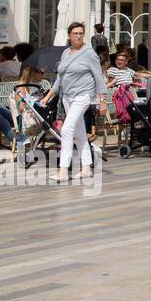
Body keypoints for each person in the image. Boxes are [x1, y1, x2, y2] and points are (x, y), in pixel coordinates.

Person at [42, 22, 107, 183]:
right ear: (70, 35)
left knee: (66, 129)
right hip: (67, 96)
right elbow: (60, 78)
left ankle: (63, 170)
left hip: (83, 95)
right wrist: (48, 95)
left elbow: (99, 76)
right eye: (75, 33)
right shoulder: (65, 53)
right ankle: (86, 168)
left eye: (81, 33)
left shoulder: (89, 53)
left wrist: (103, 99)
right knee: (79, 133)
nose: (78, 36)